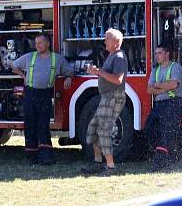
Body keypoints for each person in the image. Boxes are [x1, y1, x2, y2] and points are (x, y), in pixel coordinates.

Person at [11, 32, 75, 165]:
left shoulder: (57, 59)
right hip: (30, 93)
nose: (37, 46)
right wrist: (23, 76)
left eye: (40, 43)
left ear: (48, 44)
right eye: (36, 43)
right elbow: (13, 65)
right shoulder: (30, 57)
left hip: (45, 94)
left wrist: (69, 77)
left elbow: (69, 71)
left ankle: (46, 157)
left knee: (43, 125)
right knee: (30, 125)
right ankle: (31, 157)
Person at [81, 28, 127, 176]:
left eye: (107, 39)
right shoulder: (112, 55)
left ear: (116, 42)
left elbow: (117, 79)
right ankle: (98, 162)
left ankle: (111, 167)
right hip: (106, 97)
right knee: (93, 128)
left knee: (104, 129)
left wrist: (98, 72)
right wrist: (96, 71)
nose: (104, 41)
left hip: (113, 96)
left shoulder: (119, 57)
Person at [145, 45, 182, 170]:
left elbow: (174, 84)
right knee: (149, 128)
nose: (157, 56)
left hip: (174, 102)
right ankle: (165, 154)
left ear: (167, 54)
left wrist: (158, 86)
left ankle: (162, 160)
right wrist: (164, 86)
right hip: (160, 104)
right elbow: (149, 90)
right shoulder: (155, 70)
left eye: (160, 53)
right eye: (156, 53)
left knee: (167, 130)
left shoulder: (175, 67)